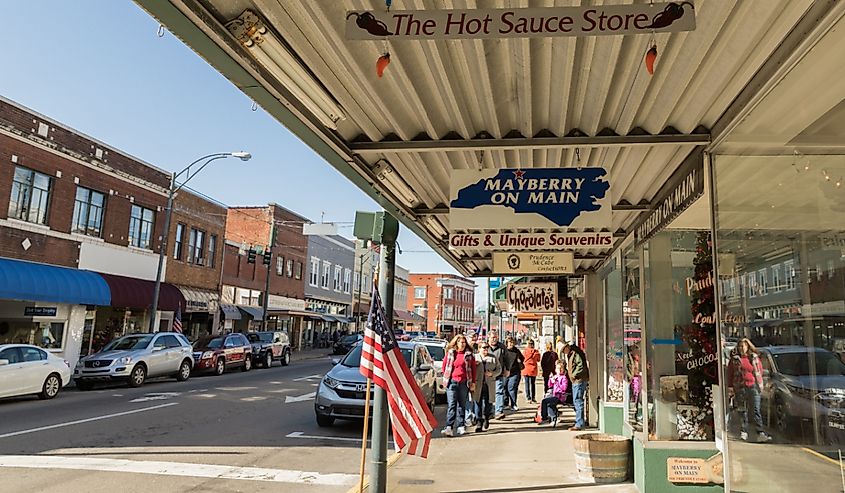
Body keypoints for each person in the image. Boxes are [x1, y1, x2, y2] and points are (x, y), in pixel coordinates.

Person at [727, 338, 772, 442]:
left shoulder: (754, 358)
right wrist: (730, 387)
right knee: (743, 410)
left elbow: (759, 371)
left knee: (756, 410)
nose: (741, 348)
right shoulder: (735, 359)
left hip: (753, 386)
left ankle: (760, 432)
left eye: (743, 346)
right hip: (740, 387)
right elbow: (730, 374)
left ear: (748, 347)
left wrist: (760, 384)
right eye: (739, 346)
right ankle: (744, 432)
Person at [441, 334, 476, 437]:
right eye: (461, 342)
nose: (463, 344)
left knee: (462, 405)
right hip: (452, 382)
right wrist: (446, 378)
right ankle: (449, 427)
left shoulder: (469, 355)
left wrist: (473, 382)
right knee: (452, 404)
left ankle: (460, 426)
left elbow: (473, 369)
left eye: (464, 342)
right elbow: (444, 367)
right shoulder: (451, 353)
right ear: (456, 343)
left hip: (464, 382)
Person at [471, 341, 502, 432]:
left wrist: (492, 373)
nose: (485, 350)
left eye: (486, 348)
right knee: (478, 402)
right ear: (479, 349)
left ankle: (486, 417)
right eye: (483, 348)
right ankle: (479, 421)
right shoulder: (475, 358)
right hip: (478, 384)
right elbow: (468, 368)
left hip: (489, 384)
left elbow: (499, 369)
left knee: (489, 403)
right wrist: (474, 365)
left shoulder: (493, 358)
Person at [562, 342, 589, 431]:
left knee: (578, 400)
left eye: (564, 350)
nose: (564, 352)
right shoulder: (572, 353)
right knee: (576, 401)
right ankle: (579, 421)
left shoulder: (575, 353)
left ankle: (579, 424)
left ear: (567, 347)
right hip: (576, 380)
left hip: (578, 380)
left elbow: (580, 366)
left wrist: (573, 374)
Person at [538, 360, 570, 426]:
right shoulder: (556, 376)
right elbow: (550, 386)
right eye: (558, 368)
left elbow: (563, 388)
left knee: (546, 401)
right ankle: (553, 417)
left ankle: (547, 418)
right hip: (555, 395)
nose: (559, 370)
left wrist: (556, 382)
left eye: (561, 368)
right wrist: (551, 380)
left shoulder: (564, 378)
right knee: (547, 401)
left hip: (560, 396)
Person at [486, 331, 508, 419]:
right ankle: (489, 411)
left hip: (499, 373)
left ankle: (498, 411)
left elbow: (507, 358)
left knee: (499, 391)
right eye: (492, 337)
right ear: (488, 338)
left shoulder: (502, 347)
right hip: (487, 374)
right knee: (488, 393)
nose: (494, 339)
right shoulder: (485, 347)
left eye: (495, 337)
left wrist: (507, 369)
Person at [502, 336, 525, 412]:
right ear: (506, 343)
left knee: (511, 388)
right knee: (504, 388)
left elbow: (522, 358)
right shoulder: (503, 351)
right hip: (505, 372)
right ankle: (505, 403)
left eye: (512, 342)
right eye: (510, 342)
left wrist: (519, 361)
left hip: (515, 372)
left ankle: (513, 404)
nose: (511, 344)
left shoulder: (516, 351)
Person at [521, 339, 541, 404]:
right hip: (533, 369)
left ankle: (528, 397)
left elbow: (522, 359)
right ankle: (533, 397)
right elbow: (538, 360)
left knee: (527, 384)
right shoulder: (536, 352)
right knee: (533, 384)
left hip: (526, 369)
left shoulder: (525, 351)